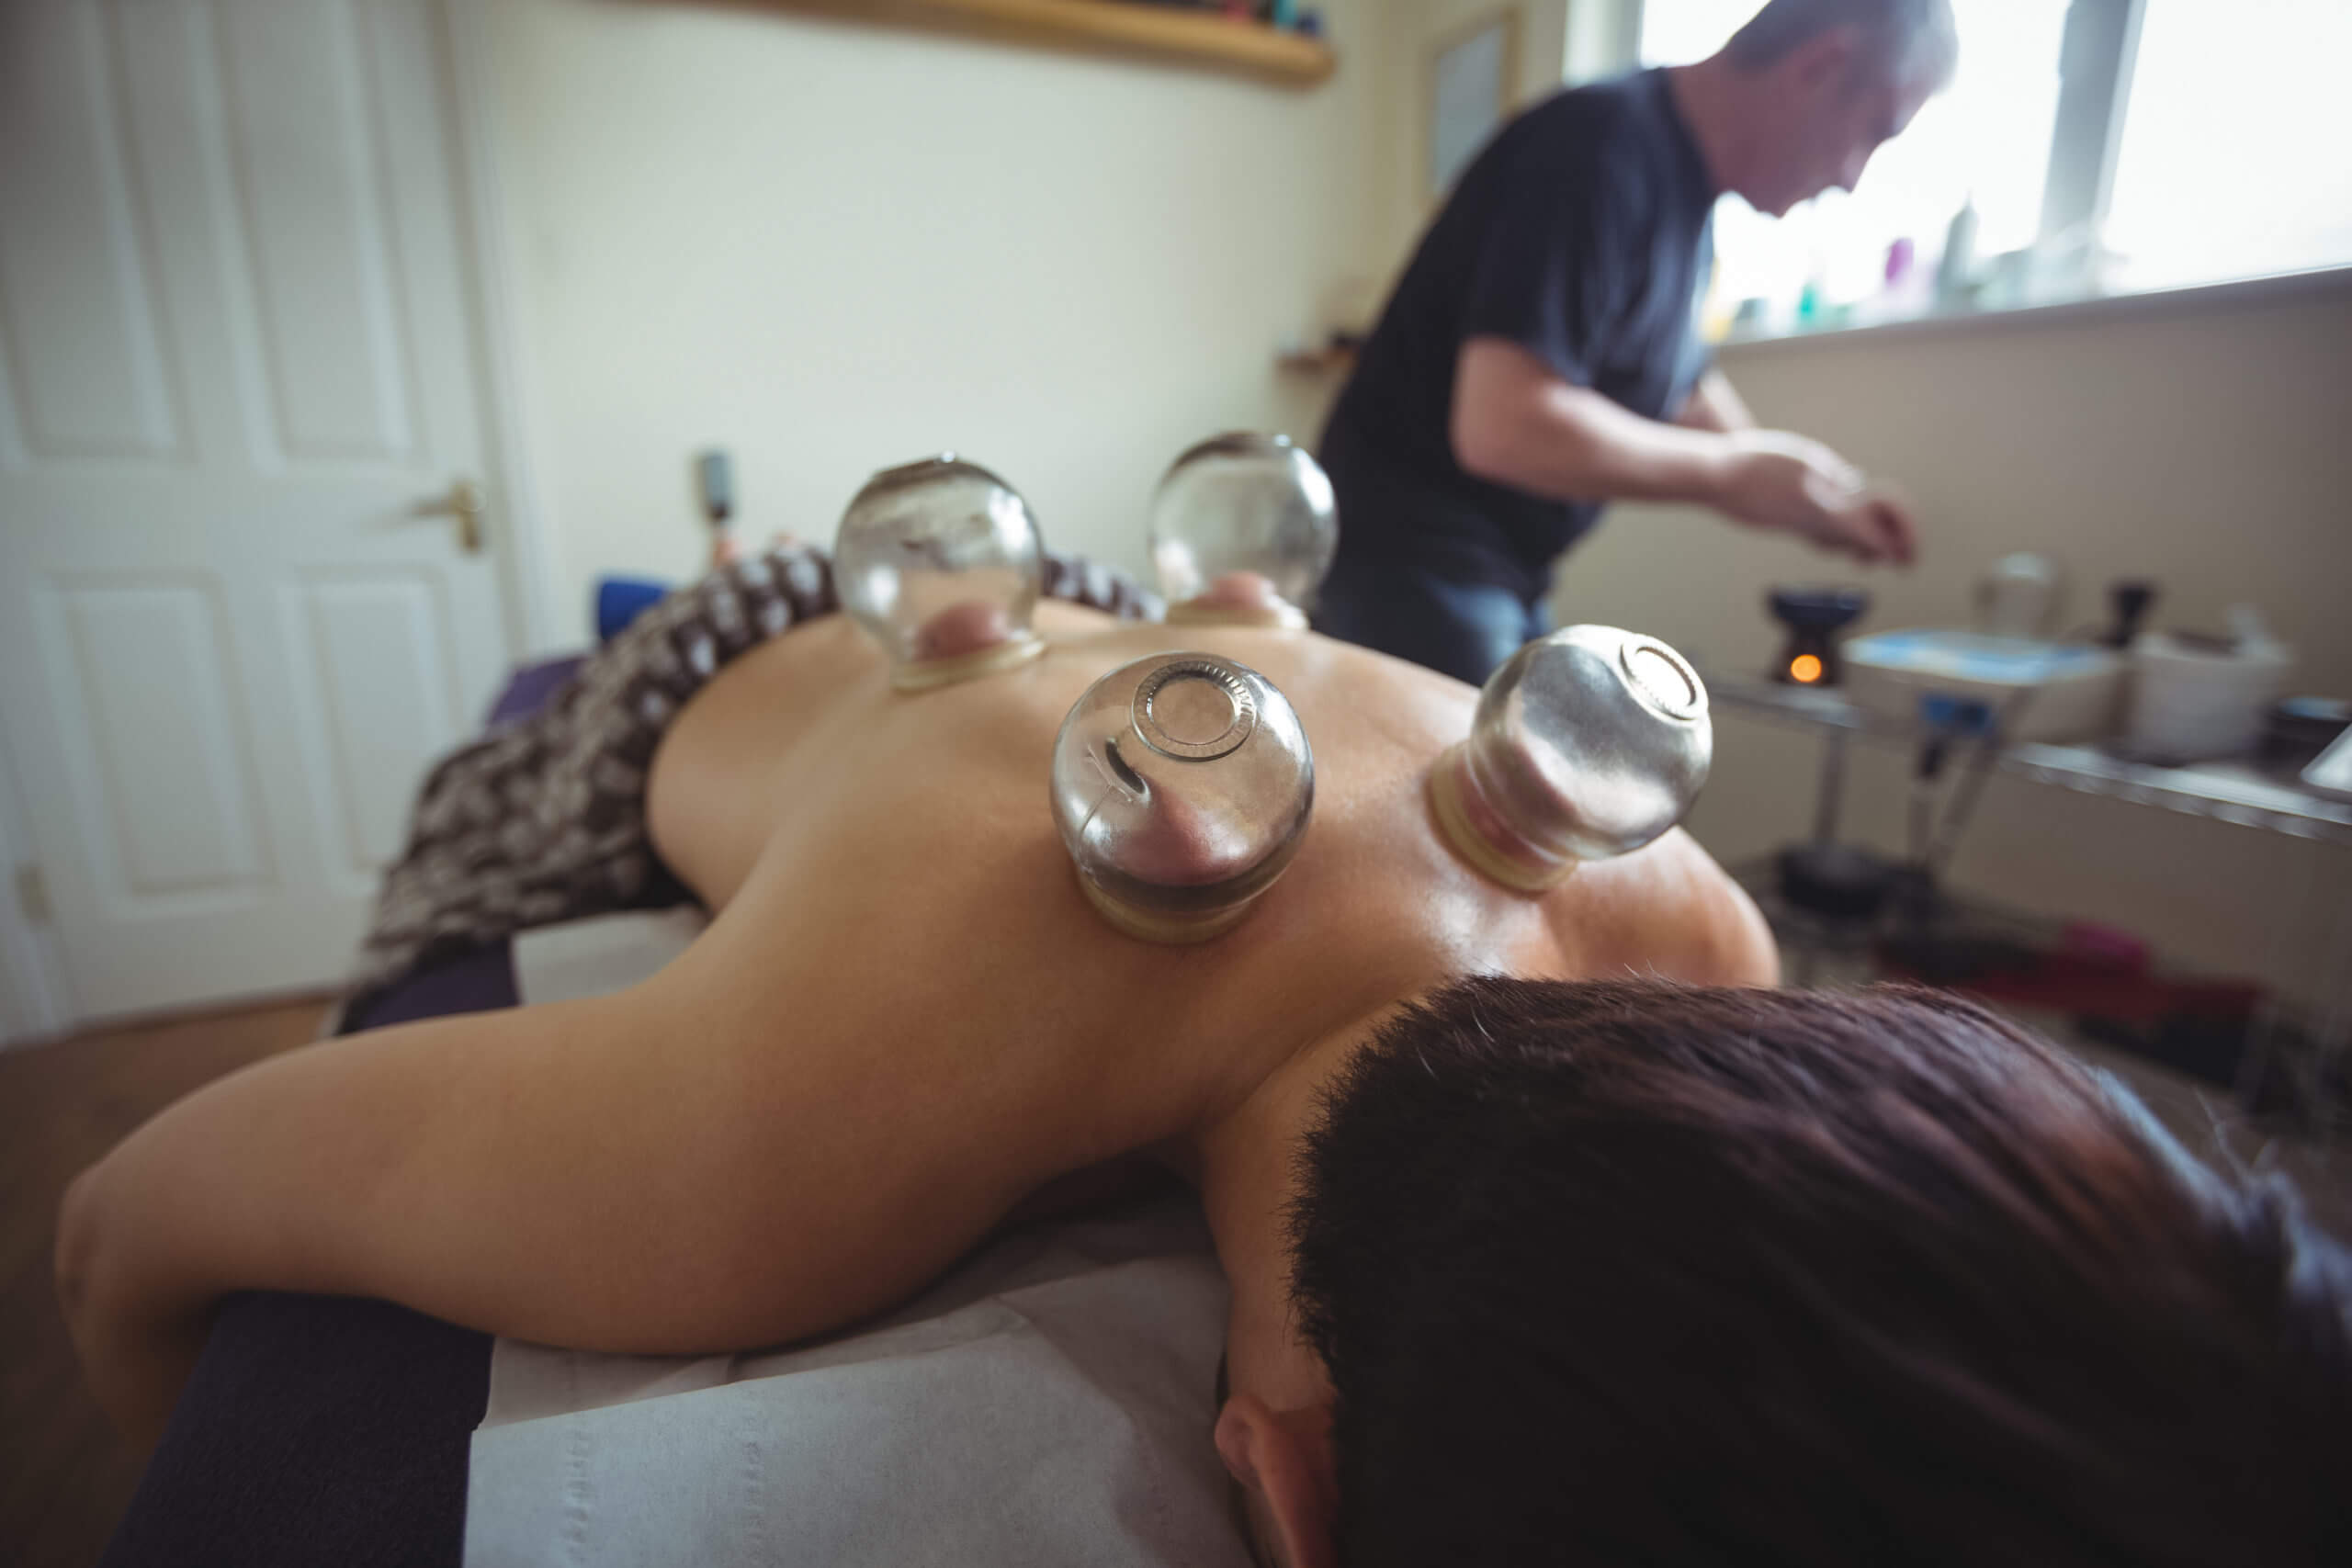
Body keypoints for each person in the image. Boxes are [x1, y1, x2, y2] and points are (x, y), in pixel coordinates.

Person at [57, 593, 2351, 1564]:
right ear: (1293, 1492)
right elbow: (116, 1216)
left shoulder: (1699, 927)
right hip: (795, 635)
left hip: (1141, 641)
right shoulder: (733, 1158)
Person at [1315, 0, 1953, 683]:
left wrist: (1831, 498)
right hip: (1405, 558)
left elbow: (1683, 391)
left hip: (1493, 570)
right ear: (1819, 66)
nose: (1854, 177)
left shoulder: (1687, 204)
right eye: (1875, 131)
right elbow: (1502, 426)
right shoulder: (1596, 147)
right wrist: (1733, 472)